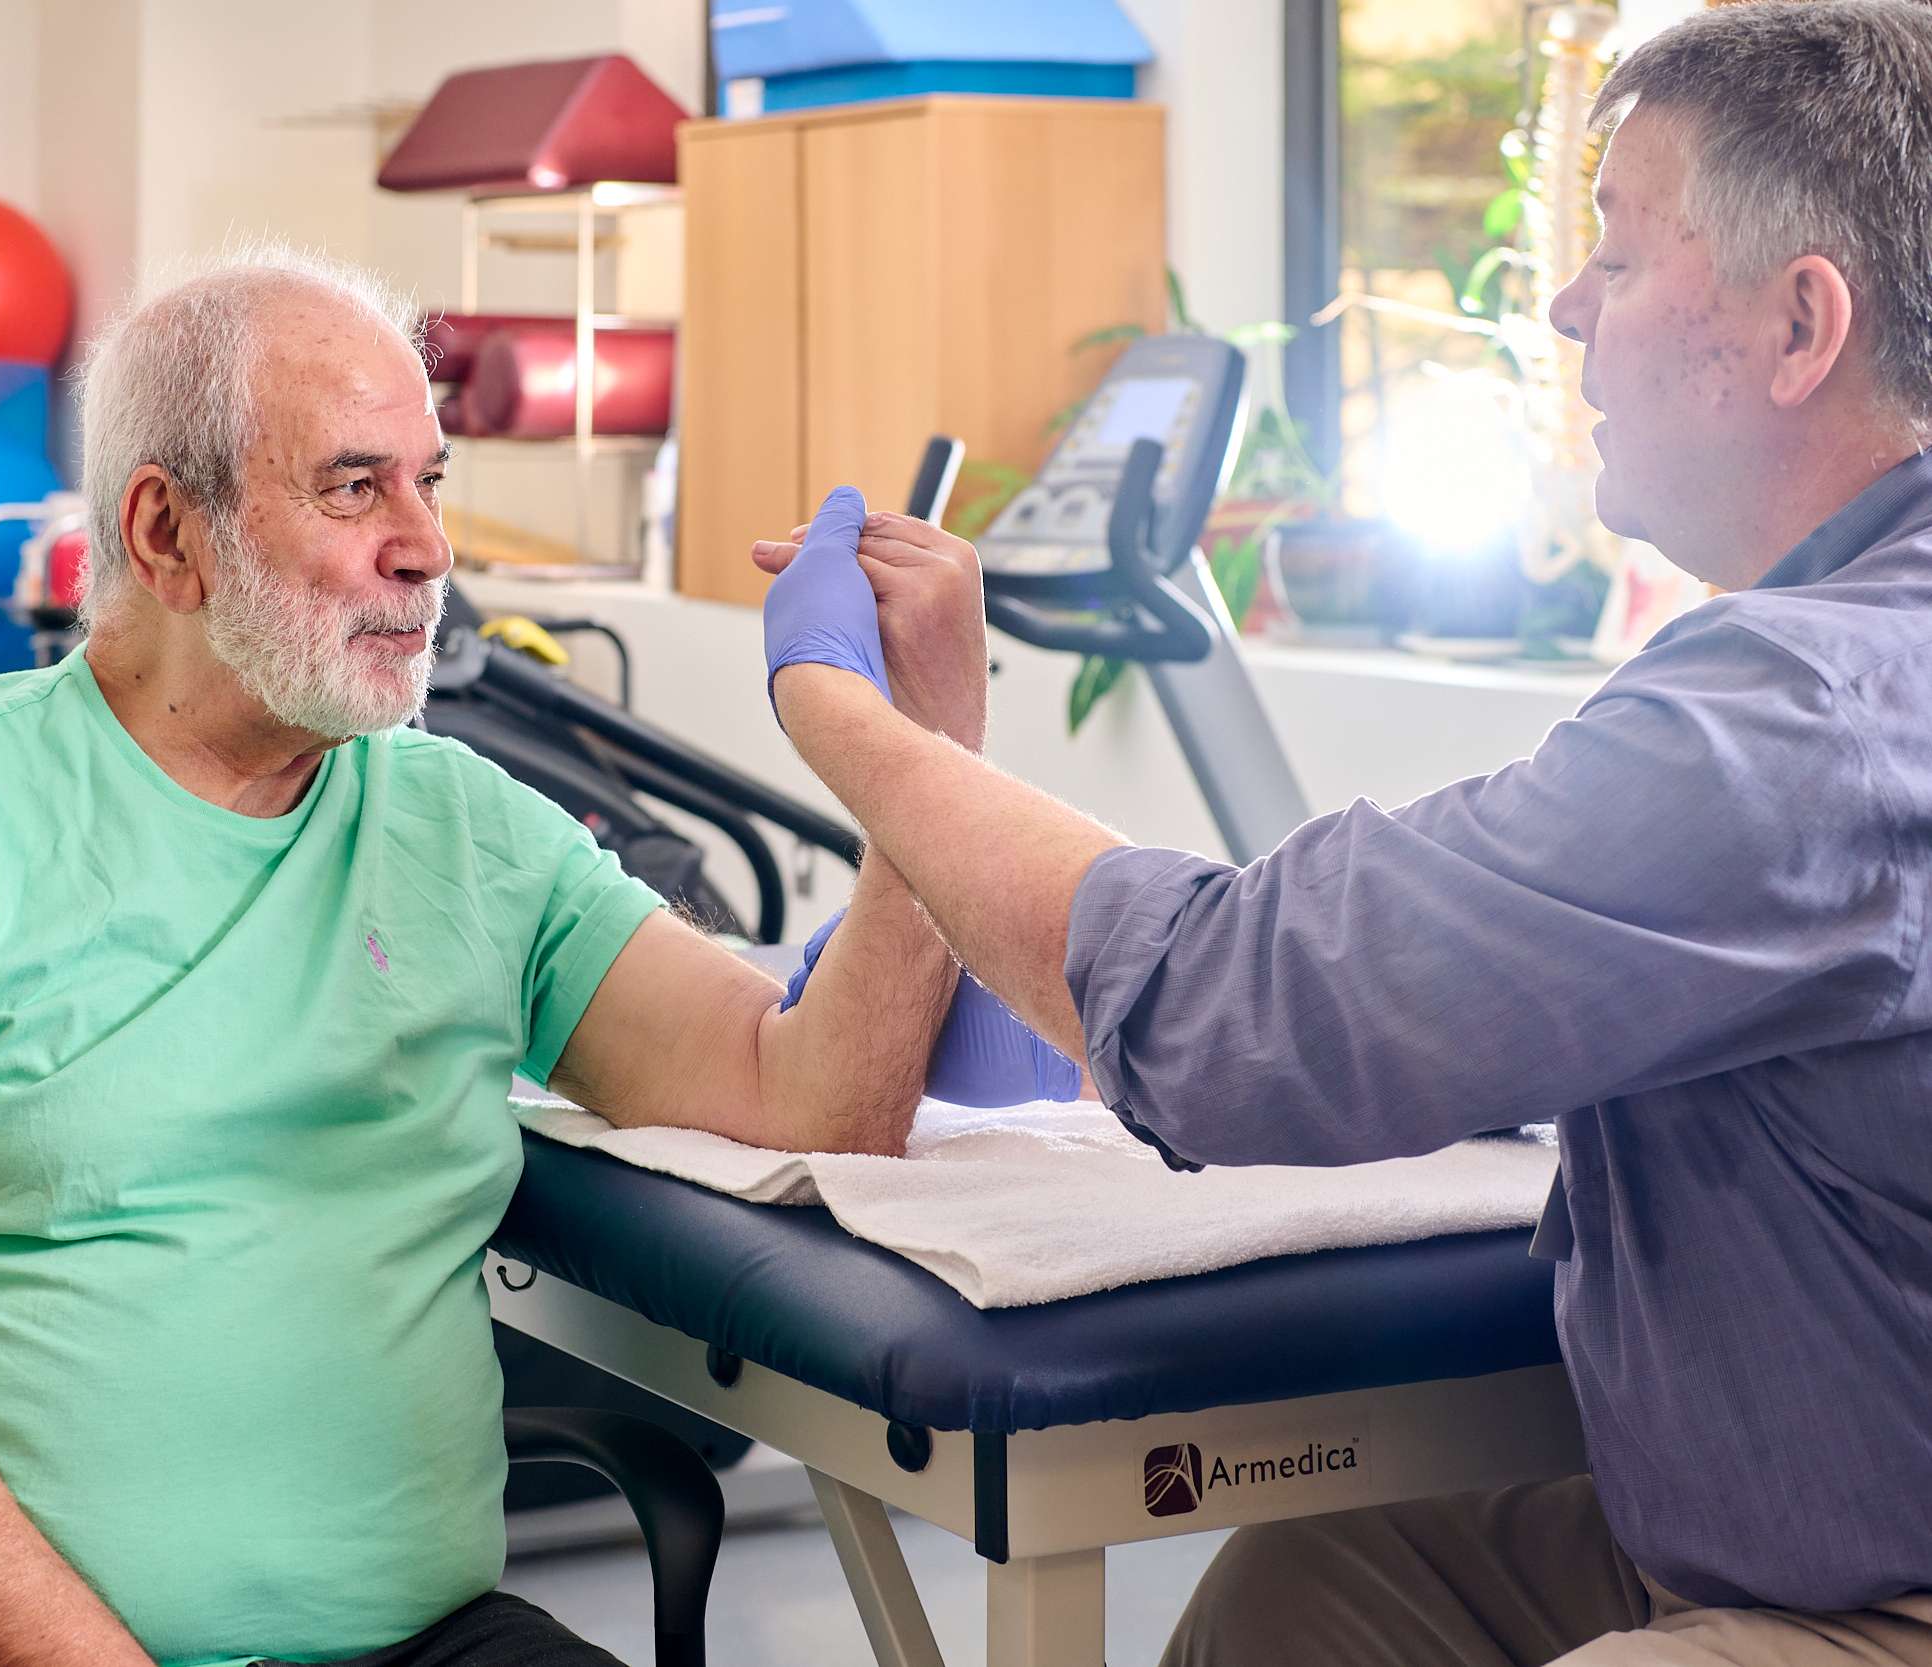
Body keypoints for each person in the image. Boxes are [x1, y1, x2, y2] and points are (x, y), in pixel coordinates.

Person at [755, 3, 1932, 1663]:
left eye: (1617, 249)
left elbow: (1253, 1009)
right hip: (1796, 1504)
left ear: (1804, 323)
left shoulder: (1808, 709)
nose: (1566, 303)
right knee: (1317, 1596)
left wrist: (853, 723)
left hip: (1879, 1603)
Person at [0, 246, 976, 1667]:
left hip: (419, 1644)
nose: (425, 545)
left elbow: (814, 1100)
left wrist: (923, 754)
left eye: (431, 483)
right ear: (169, 538)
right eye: (355, 488)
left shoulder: (463, 825)